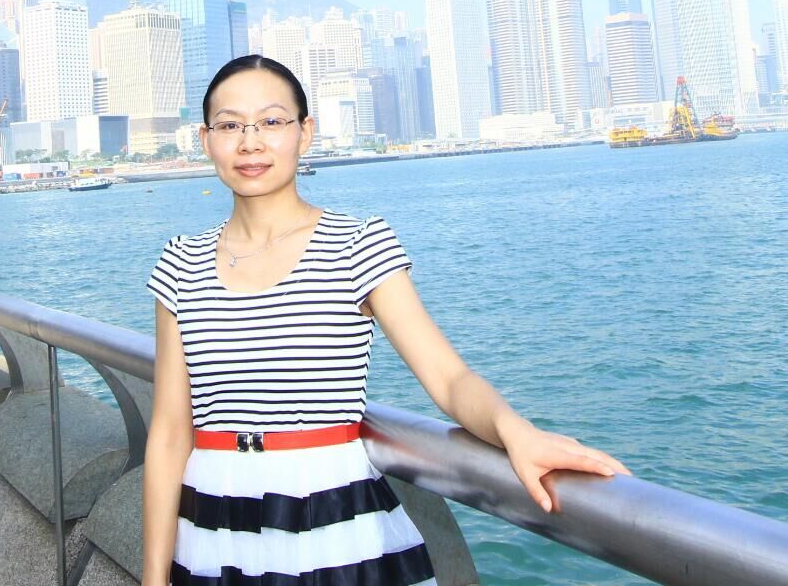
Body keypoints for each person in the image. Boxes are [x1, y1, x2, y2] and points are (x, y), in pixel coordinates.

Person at [144, 54, 628, 585]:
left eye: (272, 121)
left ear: (305, 133)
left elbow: (449, 378)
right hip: (213, 527)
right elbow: (170, 432)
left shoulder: (358, 244)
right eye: (230, 125)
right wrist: (153, 577)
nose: (250, 142)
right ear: (205, 139)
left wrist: (519, 433)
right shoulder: (181, 262)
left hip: (331, 519)